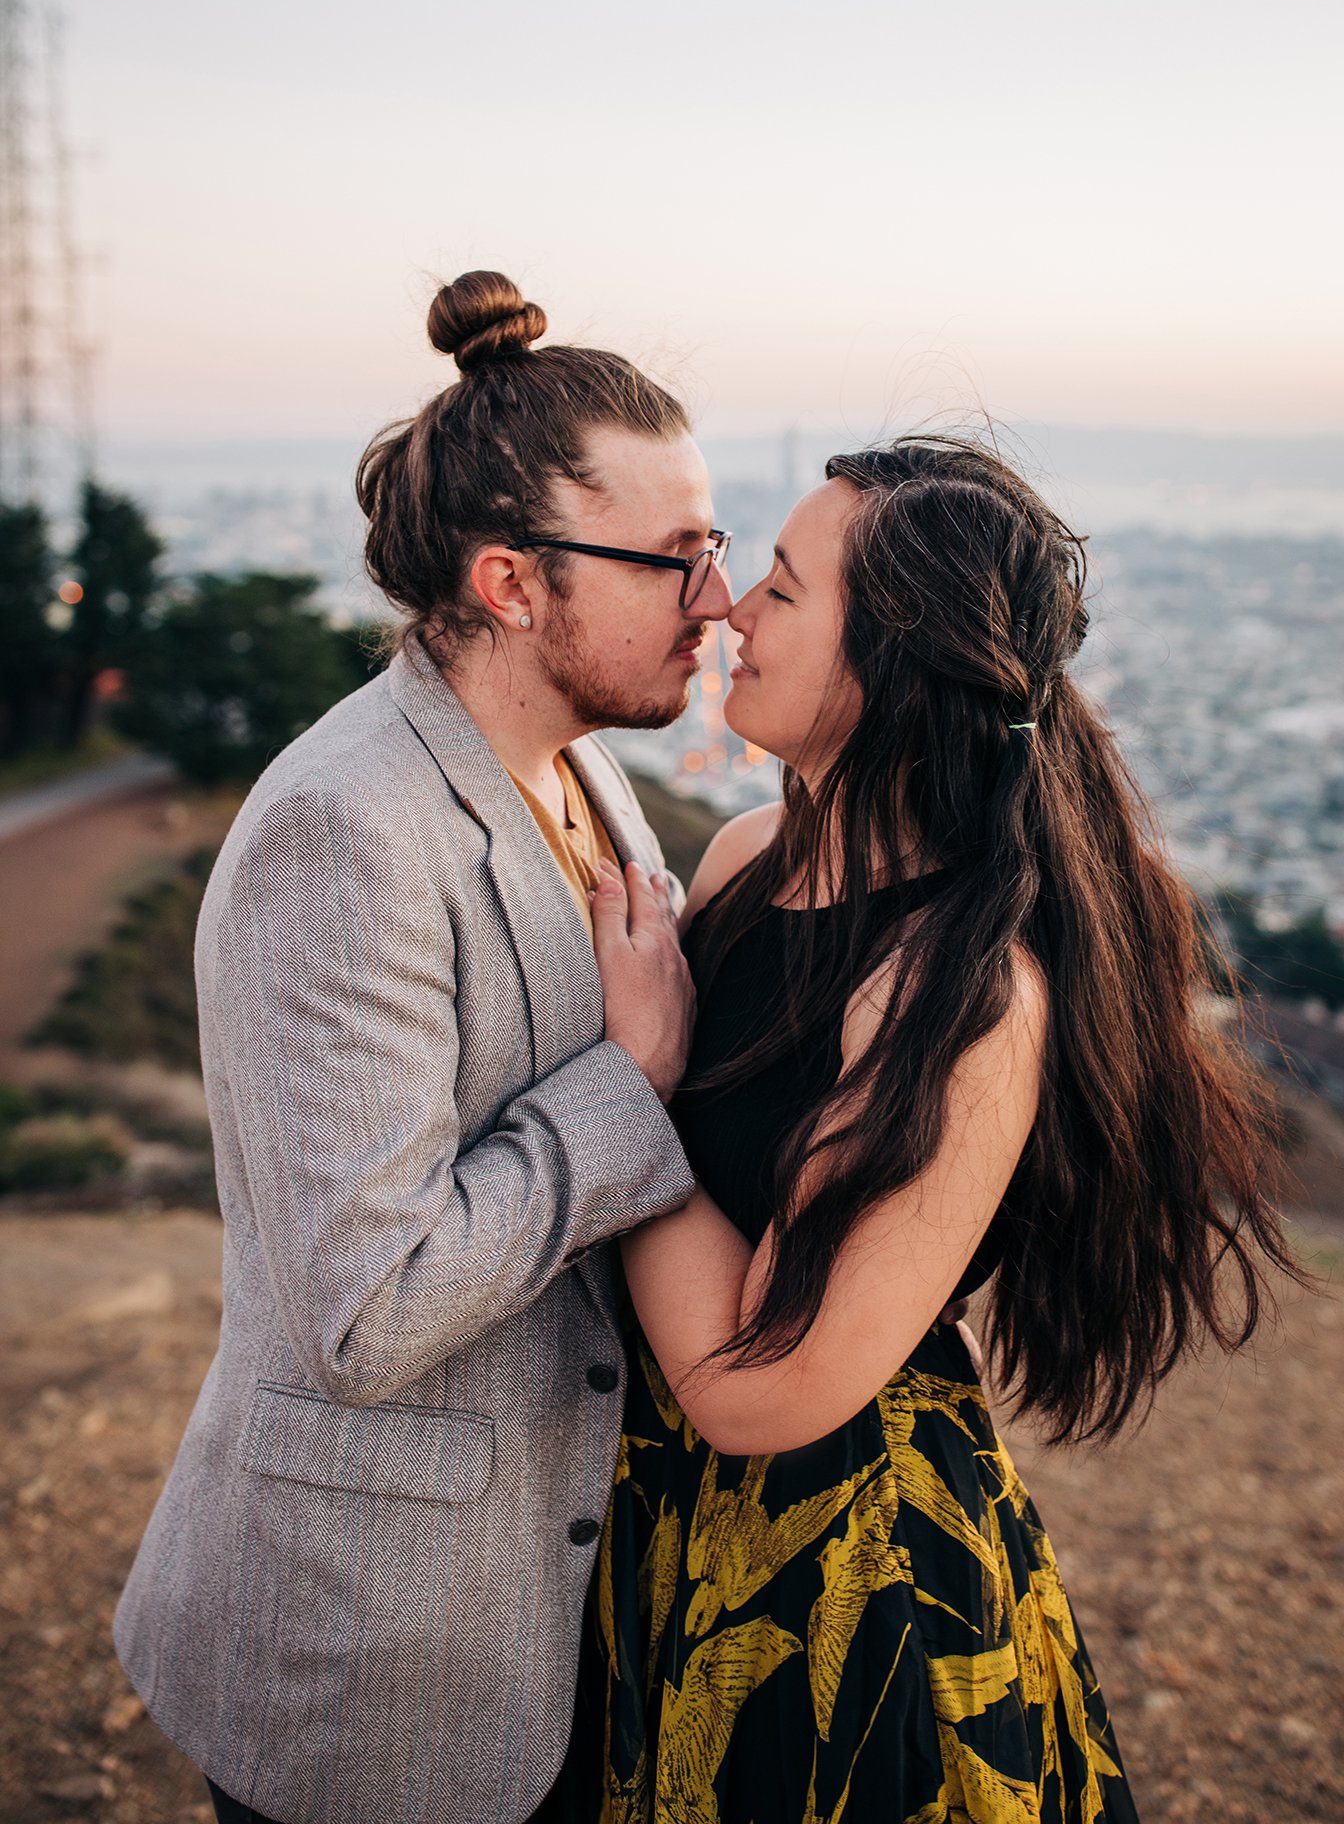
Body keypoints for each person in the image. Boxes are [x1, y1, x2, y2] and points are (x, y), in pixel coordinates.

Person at [549, 438, 1302, 1823]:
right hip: (648, 1529)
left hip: (836, 1590)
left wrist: (632, 1088)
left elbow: (759, 1389)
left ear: (892, 659)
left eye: (780, 586)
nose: (728, 611)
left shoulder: (953, 990)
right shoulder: (737, 865)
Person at [113, 270, 725, 1824]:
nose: (713, 599)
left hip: (544, 1610)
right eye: (673, 558)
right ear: (514, 582)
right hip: (361, 1657)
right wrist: (628, 1083)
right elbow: (367, 1306)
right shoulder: (346, 831)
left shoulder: (581, 766)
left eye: (715, 549)